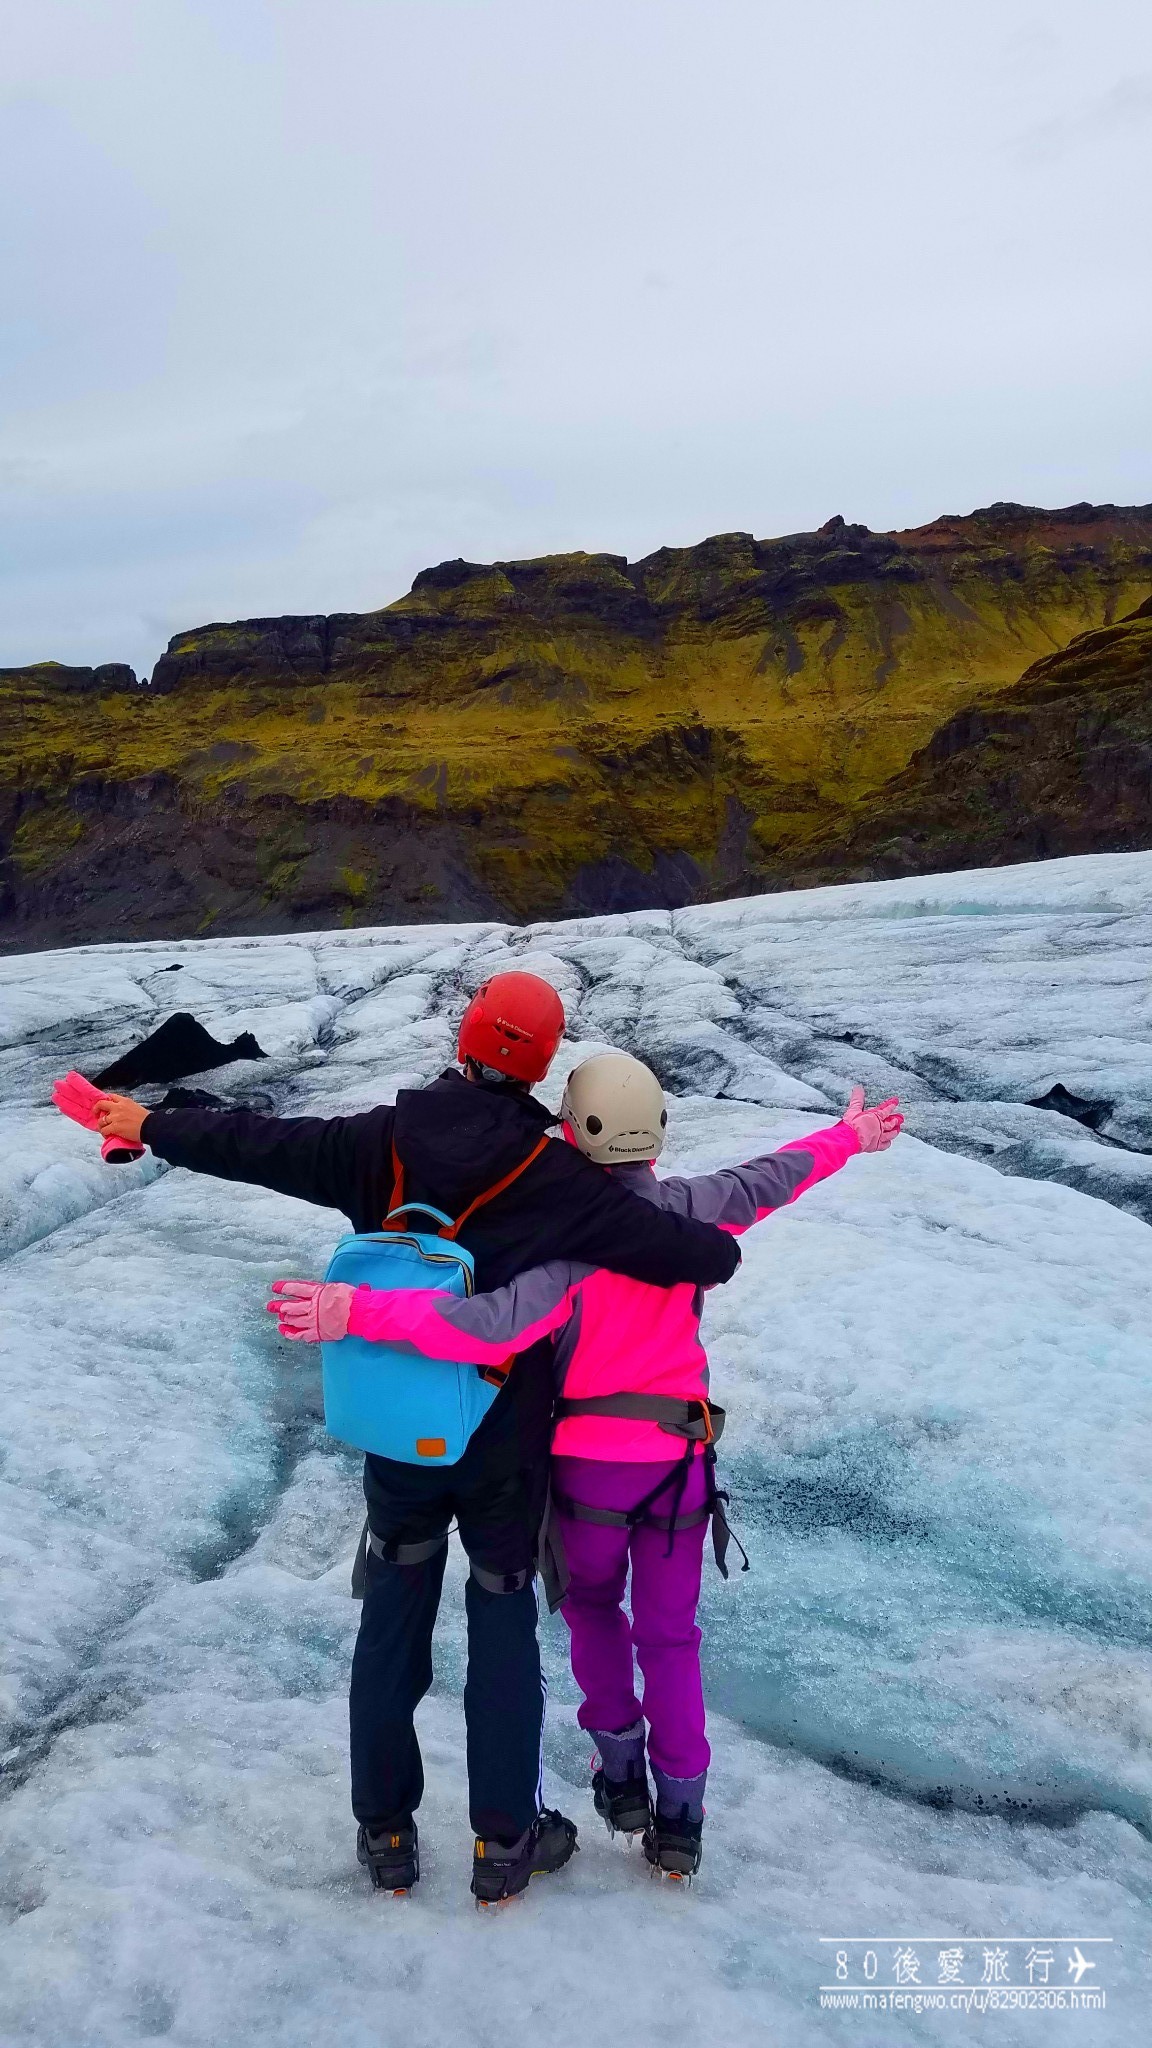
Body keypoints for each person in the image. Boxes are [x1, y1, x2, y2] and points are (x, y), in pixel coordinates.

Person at [82, 977, 740, 1903]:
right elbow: (701, 1254)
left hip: (398, 1432)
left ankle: (386, 1833)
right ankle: (506, 1843)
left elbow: (259, 1144)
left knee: (393, 1614)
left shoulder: (373, 1141)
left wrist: (148, 1125)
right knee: (502, 1619)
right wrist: (651, 1232)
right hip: (504, 1449)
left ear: (464, 1038)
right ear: (544, 1068)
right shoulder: (555, 1178)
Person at [271, 1055, 902, 1881]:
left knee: (597, 1613)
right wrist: (849, 1137)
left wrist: (353, 1310)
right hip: (678, 1465)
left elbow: (476, 1327)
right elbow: (765, 1180)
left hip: (583, 1475)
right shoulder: (681, 1211)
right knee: (671, 1639)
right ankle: (679, 1820)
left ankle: (619, 1778)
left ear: (573, 1130)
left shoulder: (567, 1246)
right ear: (657, 1133)